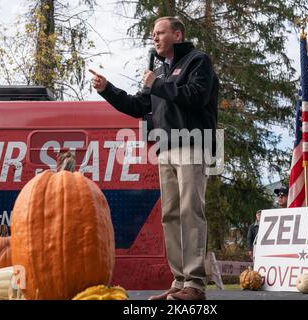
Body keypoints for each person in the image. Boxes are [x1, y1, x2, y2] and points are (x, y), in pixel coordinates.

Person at [91, 16, 219, 300]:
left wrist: (157, 83)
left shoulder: (198, 61)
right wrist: (107, 90)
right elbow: (138, 105)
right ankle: (180, 281)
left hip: (193, 145)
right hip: (165, 148)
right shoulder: (160, 72)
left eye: (160, 33)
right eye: (153, 34)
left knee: (190, 211)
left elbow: (196, 96)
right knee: (170, 215)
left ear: (177, 34)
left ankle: (196, 285)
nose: (155, 38)